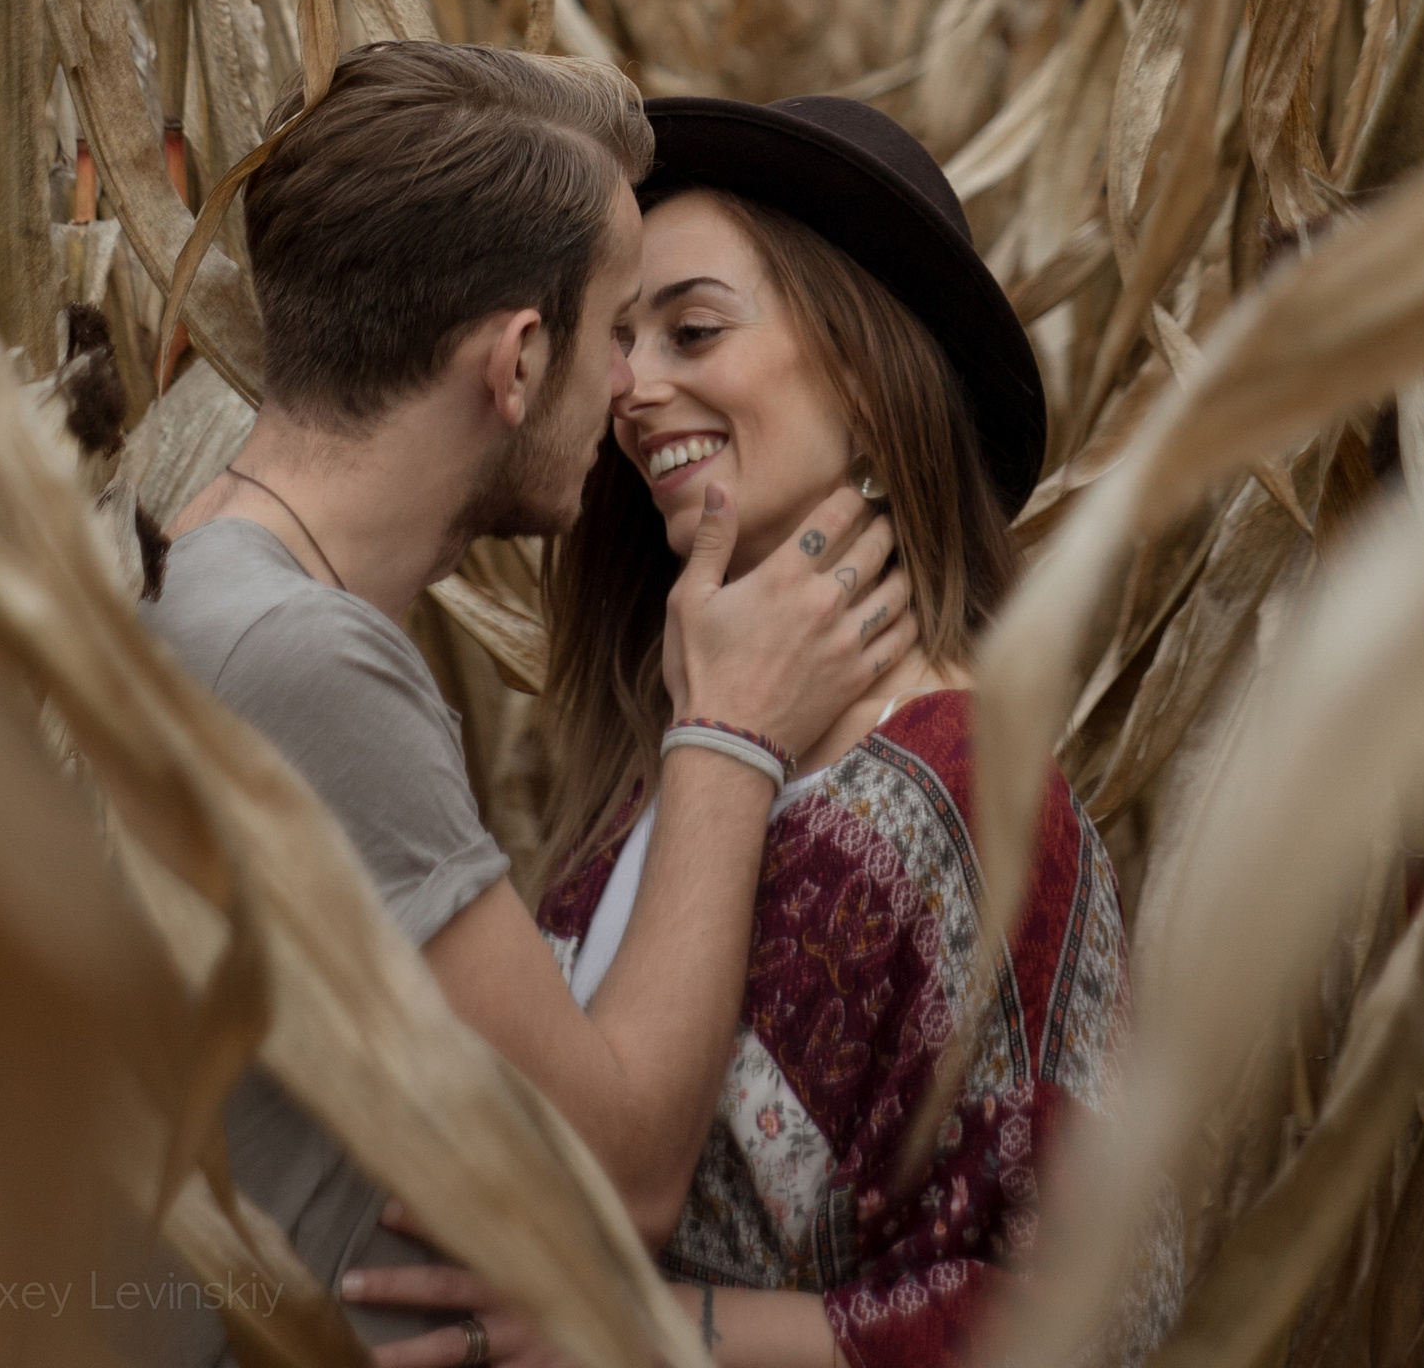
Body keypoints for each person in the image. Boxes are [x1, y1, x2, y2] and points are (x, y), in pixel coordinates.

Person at [344, 93, 1180, 1368]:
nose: (632, 386)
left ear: (864, 361)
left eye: (692, 329)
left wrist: (658, 1328)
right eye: (621, 343)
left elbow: (1098, 1310)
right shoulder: (677, 771)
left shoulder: (969, 791)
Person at [142, 44, 917, 1368]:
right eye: (619, 334)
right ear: (515, 362)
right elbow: (609, 1179)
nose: (635, 392)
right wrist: (728, 730)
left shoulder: (189, 569)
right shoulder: (297, 657)